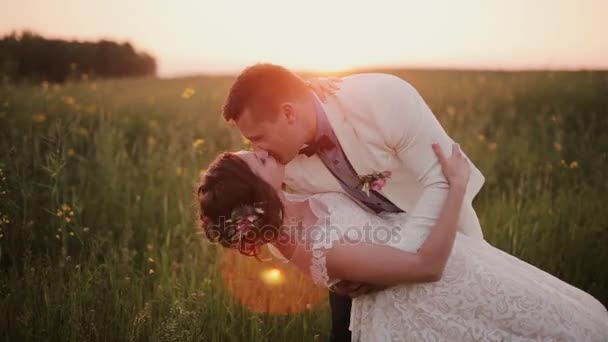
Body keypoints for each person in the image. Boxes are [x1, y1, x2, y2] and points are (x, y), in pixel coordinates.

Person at [197, 63, 608, 341]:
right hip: (360, 276)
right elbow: (274, 221)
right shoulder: (281, 167)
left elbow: (442, 180)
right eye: (252, 146)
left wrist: (390, 266)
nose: (255, 149)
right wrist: (349, 273)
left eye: (257, 140)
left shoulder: (382, 98)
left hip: (441, 246)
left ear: (288, 113)